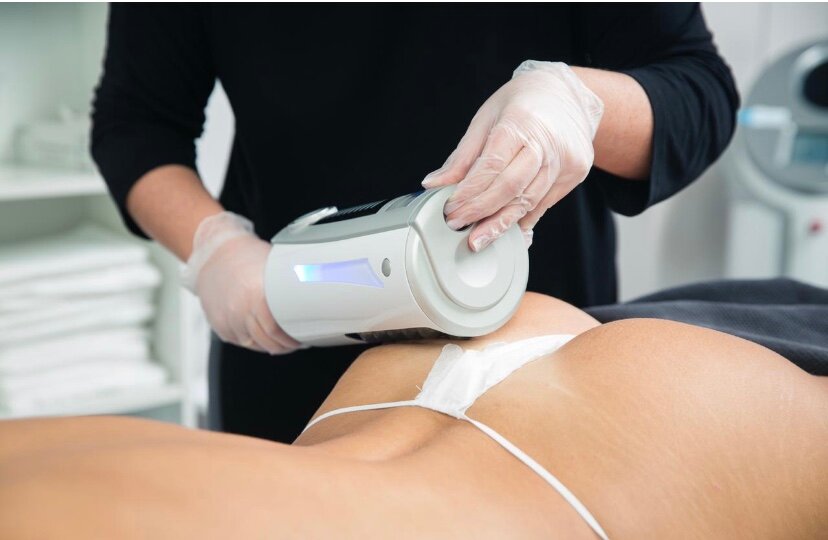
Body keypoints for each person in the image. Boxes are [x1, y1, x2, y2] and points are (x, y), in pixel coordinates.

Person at [90, 4, 739, 441]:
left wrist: (578, 105)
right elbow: (135, 124)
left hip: (530, 356)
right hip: (291, 327)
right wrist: (214, 248)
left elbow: (697, 90)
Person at [1, 293, 826, 538]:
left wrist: (580, 105)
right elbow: (139, 118)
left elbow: (685, 80)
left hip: (616, 438)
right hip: (445, 364)